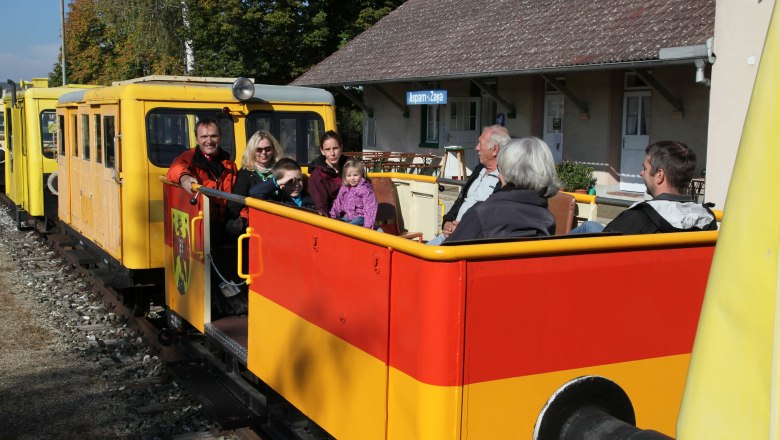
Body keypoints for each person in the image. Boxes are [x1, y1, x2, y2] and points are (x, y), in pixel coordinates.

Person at [569, 140, 718, 235]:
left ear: (659, 175)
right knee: (591, 225)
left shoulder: (638, 217)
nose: (641, 173)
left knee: (588, 227)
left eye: (645, 168)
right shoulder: (706, 221)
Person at [445, 137, 557, 242]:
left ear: (508, 172)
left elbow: (447, 254)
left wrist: (466, 226)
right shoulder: (547, 220)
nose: (498, 175)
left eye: (500, 168)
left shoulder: (482, 213)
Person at [427, 125, 510, 245]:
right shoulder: (479, 169)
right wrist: (448, 221)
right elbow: (460, 201)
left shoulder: (505, 180)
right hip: (449, 236)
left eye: (480, 144)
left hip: (469, 242)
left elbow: (493, 220)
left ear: (495, 150)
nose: (476, 148)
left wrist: (464, 228)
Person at [166, 117, 237, 224]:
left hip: (225, 221)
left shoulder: (229, 164)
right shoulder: (190, 157)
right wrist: (184, 177)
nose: (209, 141)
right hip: (200, 222)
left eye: (213, 136)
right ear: (197, 140)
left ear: (220, 138)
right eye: (204, 137)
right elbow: (175, 168)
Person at [227, 130, 284, 232]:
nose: (264, 153)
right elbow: (236, 200)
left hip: (280, 219)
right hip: (255, 222)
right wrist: (231, 219)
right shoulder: (246, 173)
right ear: (252, 151)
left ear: (274, 149)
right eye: (259, 149)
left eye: (268, 149)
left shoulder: (282, 169)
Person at [248, 158, 315, 209]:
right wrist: (278, 182)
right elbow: (254, 193)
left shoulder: (308, 196)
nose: (297, 185)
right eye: (290, 181)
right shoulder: (278, 199)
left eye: (299, 179)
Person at [329, 160, 378, 228]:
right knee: (340, 224)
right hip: (348, 216)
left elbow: (370, 208)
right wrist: (333, 216)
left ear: (361, 175)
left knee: (351, 226)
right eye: (349, 176)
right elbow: (338, 202)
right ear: (345, 176)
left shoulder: (365, 189)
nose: (352, 178)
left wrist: (368, 226)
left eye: (355, 175)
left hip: (361, 217)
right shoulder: (345, 188)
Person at [309, 130, 348, 215]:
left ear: (341, 147)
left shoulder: (352, 167)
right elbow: (321, 207)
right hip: (334, 219)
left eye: (335, 148)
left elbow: (366, 191)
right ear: (322, 151)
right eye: (327, 149)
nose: (332, 153)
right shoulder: (317, 174)